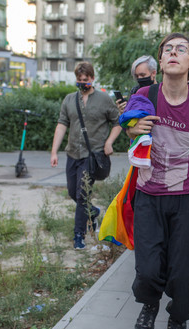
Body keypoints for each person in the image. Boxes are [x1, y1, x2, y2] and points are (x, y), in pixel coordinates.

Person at [125, 33, 189, 329]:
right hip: (148, 195)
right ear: (161, 62)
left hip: (186, 199)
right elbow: (129, 128)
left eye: (181, 50)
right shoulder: (145, 94)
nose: (172, 53)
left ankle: (178, 317)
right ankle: (149, 304)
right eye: (167, 49)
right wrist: (132, 128)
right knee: (148, 268)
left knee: (182, 272)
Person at [51, 61, 122, 250]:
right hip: (73, 153)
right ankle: (93, 211)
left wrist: (109, 142)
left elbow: (118, 122)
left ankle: (79, 235)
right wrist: (54, 151)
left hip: (92, 155)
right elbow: (61, 124)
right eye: (79, 80)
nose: (82, 83)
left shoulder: (103, 99)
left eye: (85, 79)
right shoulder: (69, 100)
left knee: (82, 195)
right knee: (72, 192)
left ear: (92, 79)